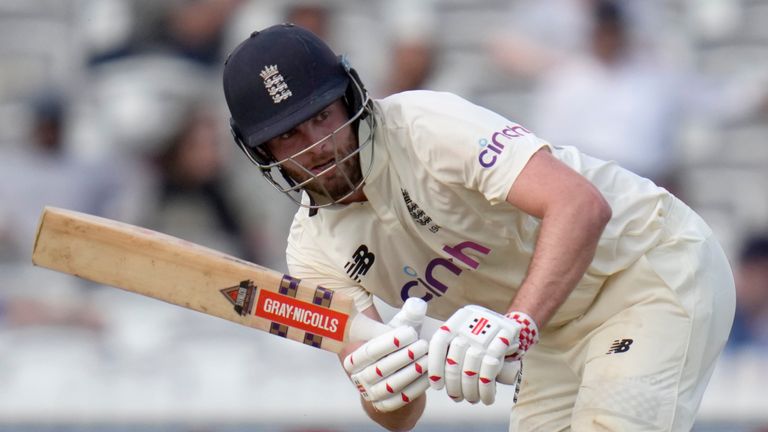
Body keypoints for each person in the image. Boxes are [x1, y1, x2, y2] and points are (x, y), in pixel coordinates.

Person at [222, 24, 736, 432]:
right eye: (290, 134)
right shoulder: (312, 252)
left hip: (645, 269)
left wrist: (516, 324)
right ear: (263, 152)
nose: (319, 145)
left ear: (350, 96)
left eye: (322, 116)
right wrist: (386, 386)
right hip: (550, 332)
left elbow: (580, 205)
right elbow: (400, 419)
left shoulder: (426, 125)